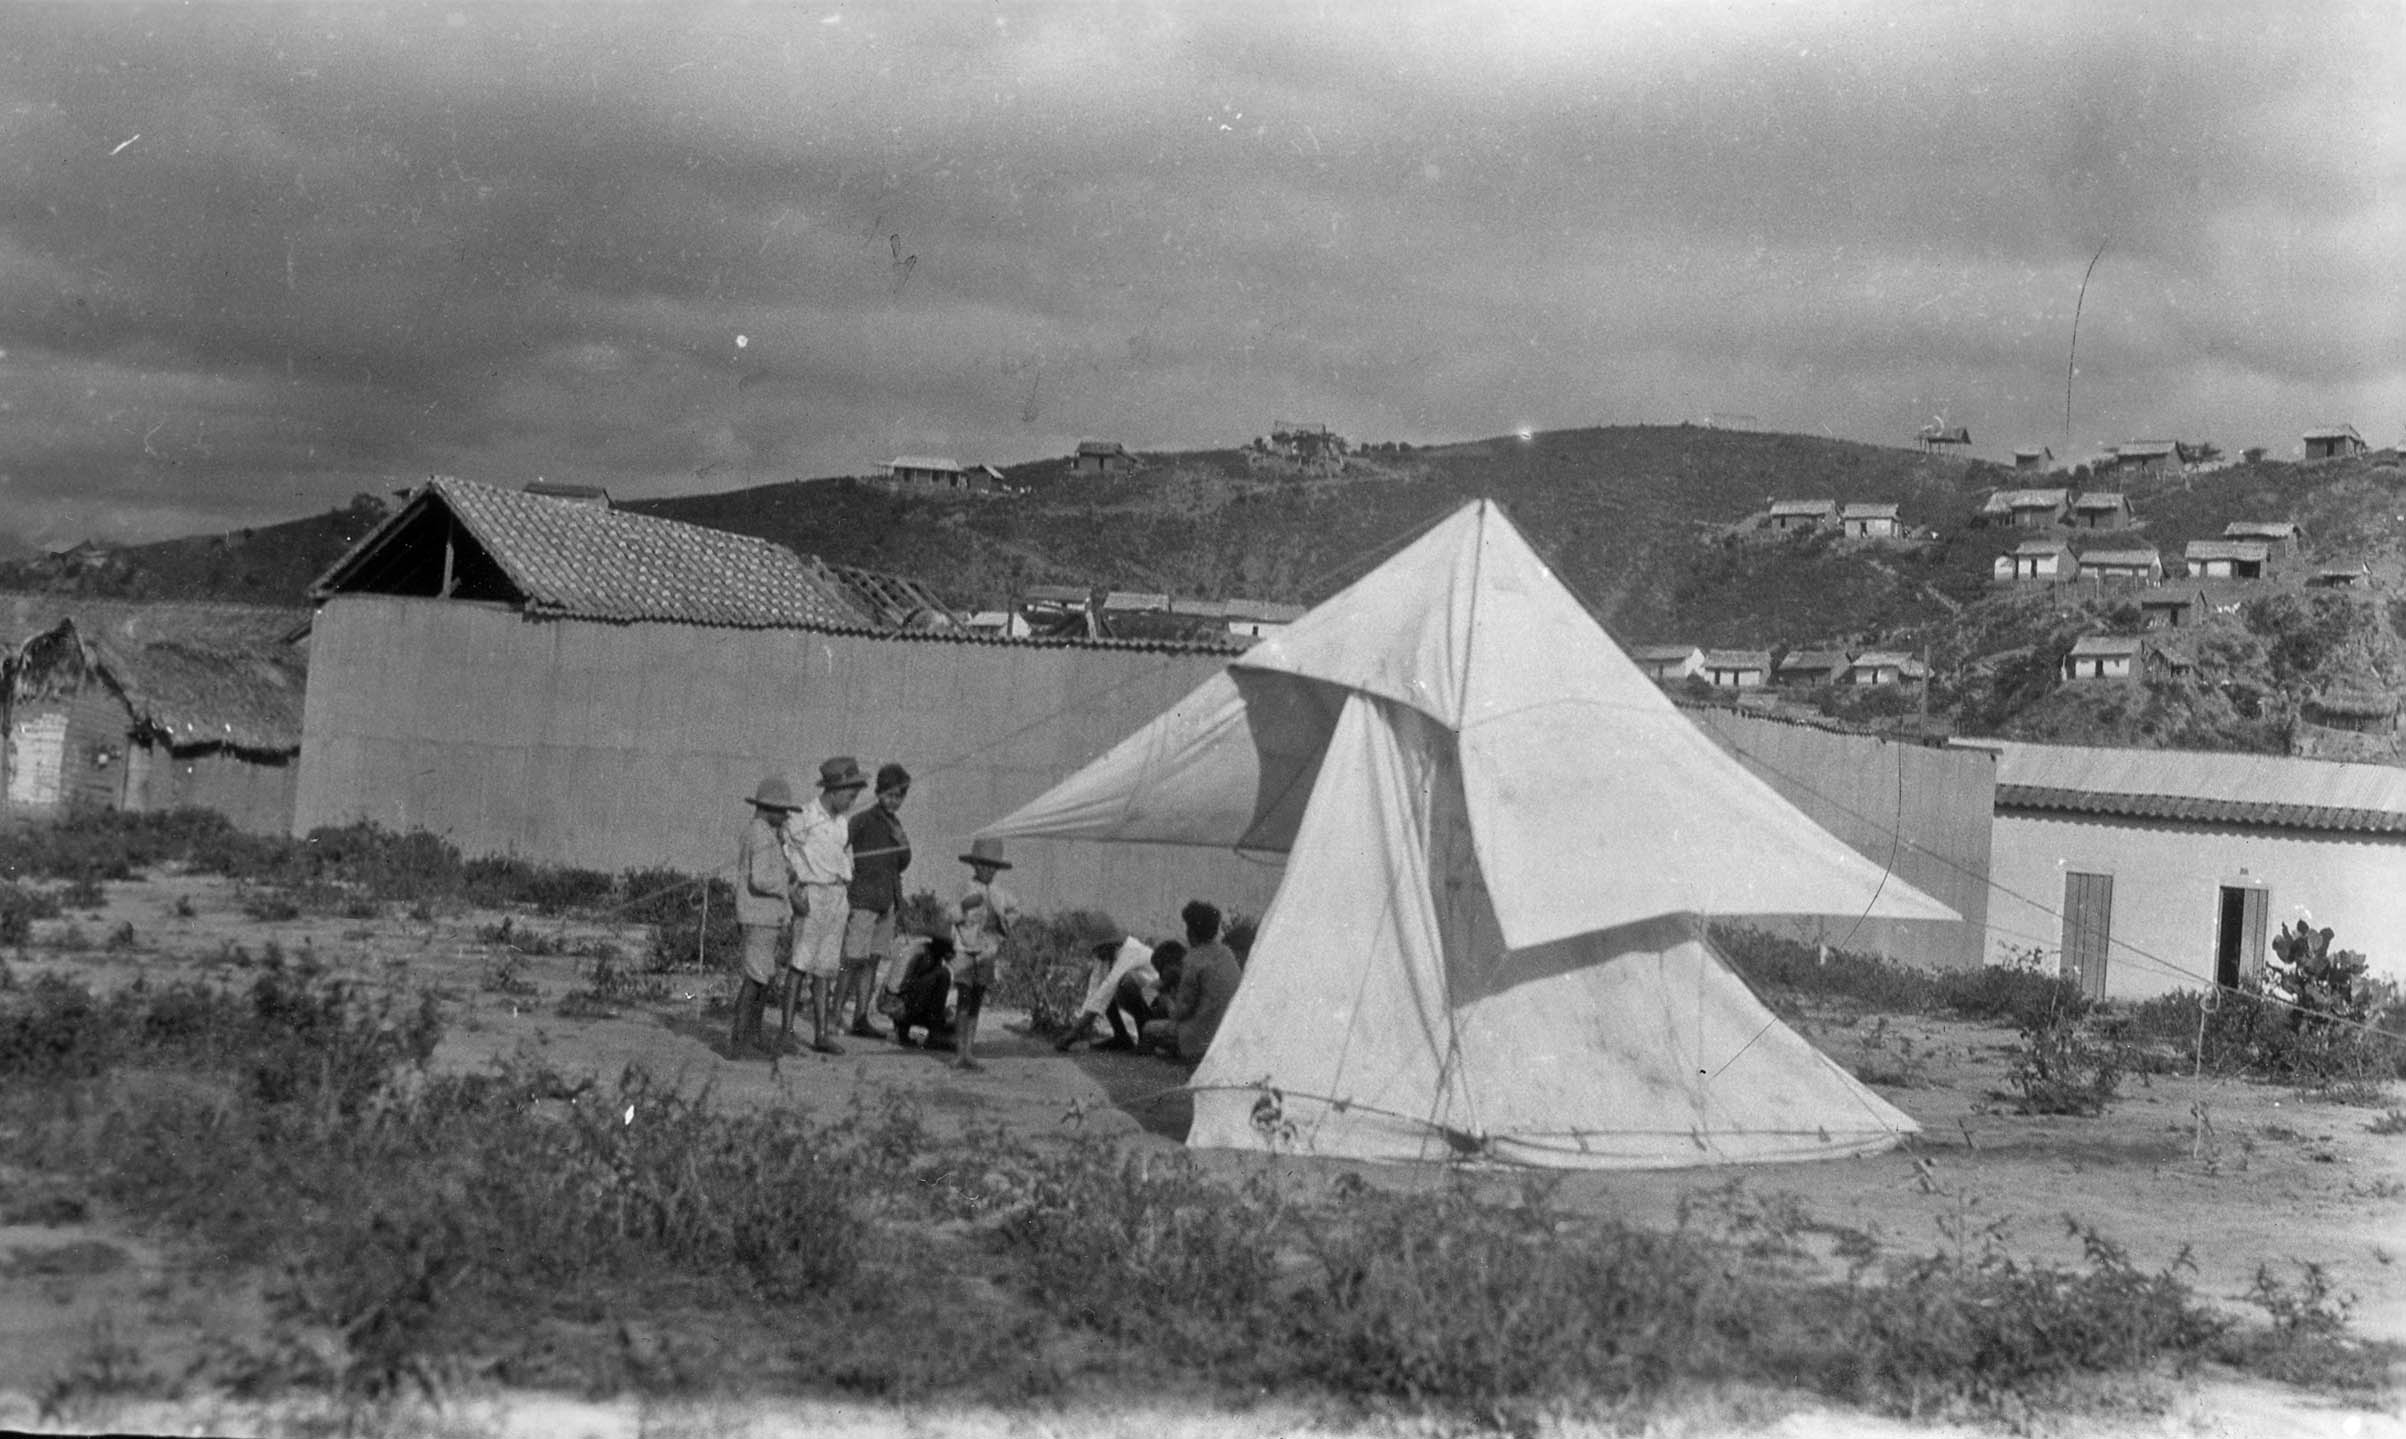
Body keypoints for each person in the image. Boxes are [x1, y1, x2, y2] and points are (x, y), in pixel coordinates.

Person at [779, 755, 868, 1055]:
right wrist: (793, 890)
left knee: (826, 968)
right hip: (812, 895)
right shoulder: (803, 816)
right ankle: (787, 1033)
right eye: (850, 795)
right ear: (833, 790)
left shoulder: (842, 823)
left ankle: (821, 1034)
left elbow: (842, 858)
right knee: (800, 963)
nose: (852, 801)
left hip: (837, 896)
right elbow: (784, 850)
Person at [838, 762, 913, 1040]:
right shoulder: (864, 819)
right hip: (864, 899)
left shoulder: (896, 825)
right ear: (879, 792)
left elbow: (903, 862)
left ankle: (861, 1018)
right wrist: (847, 877)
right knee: (852, 960)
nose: (894, 801)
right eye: (889, 795)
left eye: (899, 797)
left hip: (887, 900)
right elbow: (839, 845)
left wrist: (901, 841)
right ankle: (835, 1017)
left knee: (872, 961)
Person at [729, 773, 801, 1058]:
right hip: (757, 916)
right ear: (768, 808)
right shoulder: (759, 834)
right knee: (756, 978)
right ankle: (740, 1041)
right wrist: (784, 883)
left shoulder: (767, 834)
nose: (785, 817)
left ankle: (753, 1036)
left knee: (763, 977)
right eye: (782, 811)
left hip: (767, 916)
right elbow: (759, 879)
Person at [945, 837, 1019, 1071]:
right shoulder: (963, 887)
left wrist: (1003, 923)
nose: (987, 870)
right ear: (974, 865)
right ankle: (960, 1051)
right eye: (982, 865)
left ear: (997, 869)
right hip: (964, 949)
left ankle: (970, 1050)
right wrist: (965, 907)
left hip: (987, 950)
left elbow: (1016, 910)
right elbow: (949, 915)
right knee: (964, 998)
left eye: (992, 867)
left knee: (976, 999)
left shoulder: (1000, 893)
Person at [1141, 900, 1242, 1063]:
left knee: (1148, 1028)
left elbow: (1180, 1012)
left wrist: (1166, 999)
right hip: (1226, 1032)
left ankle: (1157, 1056)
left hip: (1200, 1036)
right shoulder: (1226, 953)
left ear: (1191, 932)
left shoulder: (1193, 960)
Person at [1056, 930, 1155, 1052]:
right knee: (1103, 990)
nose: (1097, 955)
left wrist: (1074, 1033)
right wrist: (1078, 1028)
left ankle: (1146, 1038)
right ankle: (1121, 1038)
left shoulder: (1131, 950)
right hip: (1133, 996)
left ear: (1111, 946)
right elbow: (1094, 992)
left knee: (1125, 982)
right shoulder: (1104, 956)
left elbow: (1109, 986)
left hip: (1153, 999)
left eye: (1099, 950)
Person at [1100, 939, 1184, 1052]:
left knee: (1149, 1027)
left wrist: (1167, 1001)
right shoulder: (1169, 981)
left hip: (1185, 1027)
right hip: (1173, 1022)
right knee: (1149, 1016)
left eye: (1161, 971)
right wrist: (1155, 992)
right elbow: (1149, 996)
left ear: (1173, 966)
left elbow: (1180, 1017)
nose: (1160, 975)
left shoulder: (1187, 984)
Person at [882, 933, 956, 1049]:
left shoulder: (920, 949)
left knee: (951, 1016)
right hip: (899, 1007)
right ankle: (933, 1036)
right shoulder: (923, 956)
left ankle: (904, 1032)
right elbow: (898, 987)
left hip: (896, 1004)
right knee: (943, 975)